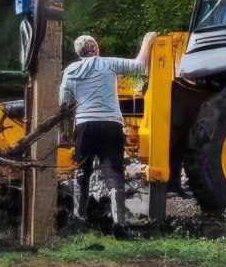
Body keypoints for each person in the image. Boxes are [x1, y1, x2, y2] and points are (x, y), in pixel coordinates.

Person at [59, 31, 156, 234]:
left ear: (79, 53)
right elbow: (140, 65)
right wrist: (147, 40)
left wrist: (65, 132)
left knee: (82, 173)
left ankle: (79, 220)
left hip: (85, 127)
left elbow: (65, 105)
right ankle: (119, 224)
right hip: (112, 125)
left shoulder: (71, 70)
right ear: (96, 47)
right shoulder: (108, 63)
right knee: (114, 174)